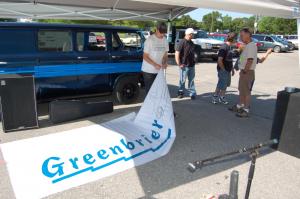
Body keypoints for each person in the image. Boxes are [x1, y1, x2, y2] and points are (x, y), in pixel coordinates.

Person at [229, 28, 257, 118]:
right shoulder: (247, 45)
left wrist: (245, 71)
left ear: (248, 34)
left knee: (246, 92)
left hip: (247, 72)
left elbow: (250, 60)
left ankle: (246, 109)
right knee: (242, 90)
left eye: (242, 35)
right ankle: (240, 106)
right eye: (240, 35)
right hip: (244, 71)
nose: (240, 37)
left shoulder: (252, 46)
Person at [142, 22, 169, 95]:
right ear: (156, 30)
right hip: (148, 71)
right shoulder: (150, 40)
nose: (162, 35)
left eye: (164, 33)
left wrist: (165, 62)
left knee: (158, 91)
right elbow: (145, 56)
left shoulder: (165, 40)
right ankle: (150, 106)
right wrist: (154, 64)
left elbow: (165, 55)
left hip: (159, 71)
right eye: (161, 33)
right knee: (150, 92)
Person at [212, 32, 237, 105]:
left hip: (228, 70)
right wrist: (223, 69)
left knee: (225, 84)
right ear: (233, 39)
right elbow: (219, 60)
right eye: (236, 39)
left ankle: (221, 97)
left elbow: (230, 59)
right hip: (223, 70)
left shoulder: (230, 47)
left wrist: (232, 69)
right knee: (221, 84)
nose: (237, 41)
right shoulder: (224, 47)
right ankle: (215, 97)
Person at [175, 28, 197, 100]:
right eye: (193, 34)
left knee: (191, 80)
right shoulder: (182, 42)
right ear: (189, 34)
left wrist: (194, 59)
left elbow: (193, 53)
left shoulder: (192, 43)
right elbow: (177, 53)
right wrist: (179, 64)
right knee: (182, 80)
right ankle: (180, 92)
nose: (193, 35)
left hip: (191, 65)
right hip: (184, 65)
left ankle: (192, 93)